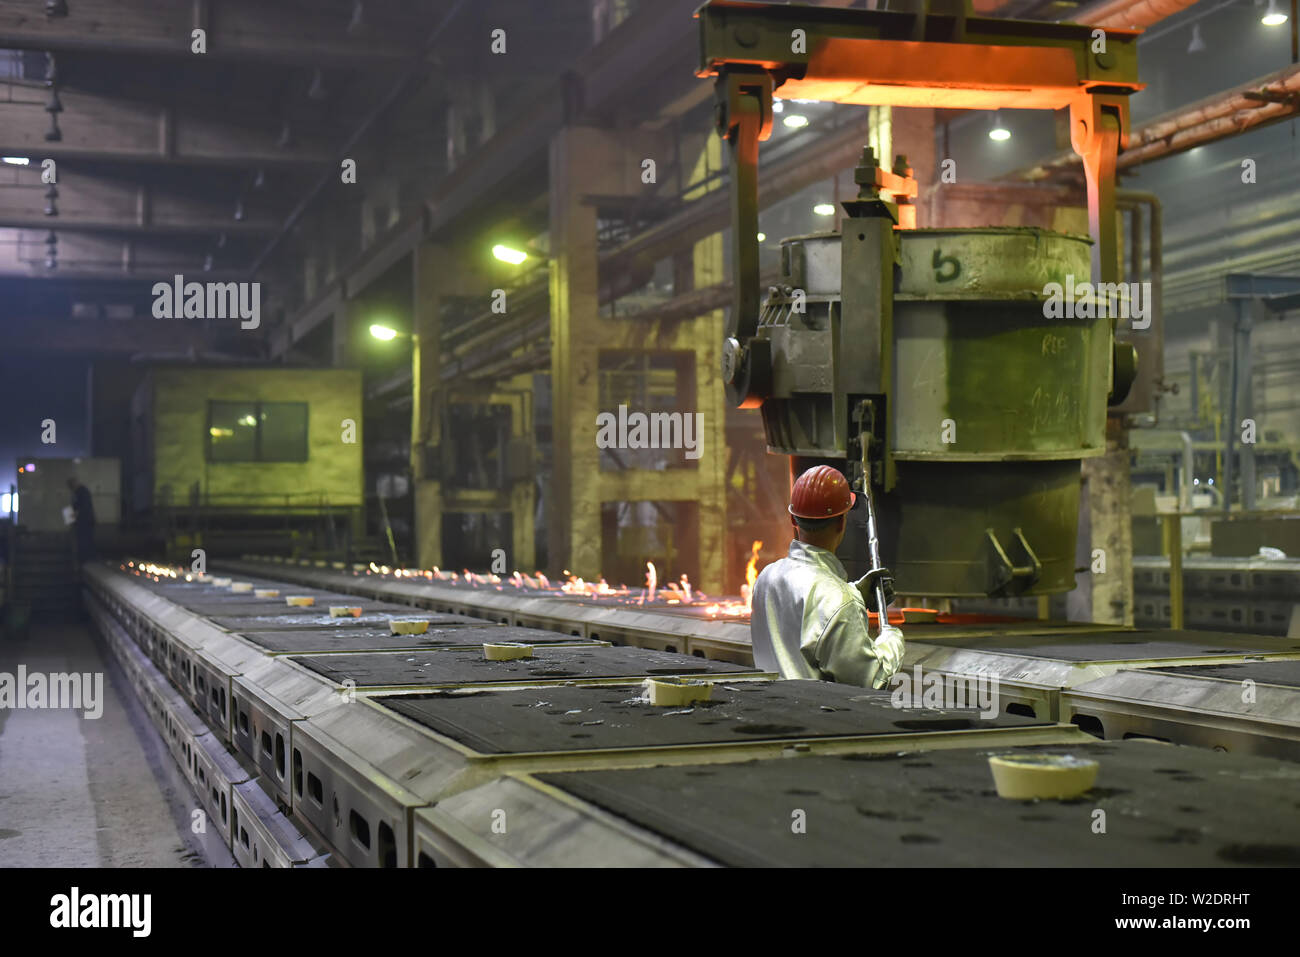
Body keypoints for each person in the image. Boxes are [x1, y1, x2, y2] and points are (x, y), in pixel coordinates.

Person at [750, 465, 904, 689]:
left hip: (771, 715)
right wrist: (892, 640)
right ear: (842, 522)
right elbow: (870, 679)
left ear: (793, 520)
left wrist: (856, 594)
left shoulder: (766, 578)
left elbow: (810, 611)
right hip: (818, 721)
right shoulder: (838, 601)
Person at [67, 476, 96, 564]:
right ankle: (84, 559)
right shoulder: (78, 492)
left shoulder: (82, 491)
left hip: (84, 521)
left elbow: (84, 506)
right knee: (83, 541)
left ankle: (85, 559)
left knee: (84, 541)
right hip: (82, 521)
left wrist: (76, 513)